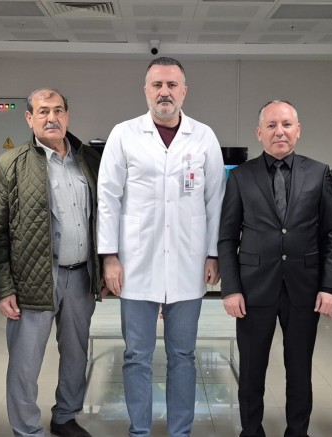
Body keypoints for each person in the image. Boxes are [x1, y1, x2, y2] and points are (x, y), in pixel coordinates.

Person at [97, 57, 226, 437]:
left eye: (172, 85)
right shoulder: (124, 134)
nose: (164, 92)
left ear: (184, 91)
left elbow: (216, 199)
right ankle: (139, 430)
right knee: (136, 355)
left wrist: (213, 253)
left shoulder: (204, 137)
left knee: (183, 355)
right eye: (157, 85)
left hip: (188, 263)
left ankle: (179, 431)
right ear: (146, 91)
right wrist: (109, 257)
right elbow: (108, 198)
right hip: (135, 264)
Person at [218, 99, 332, 437]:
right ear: (259, 133)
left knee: (300, 370)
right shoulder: (241, 176)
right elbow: (227, 237)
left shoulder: (319, 172)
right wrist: (230, 289)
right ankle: (251, 431)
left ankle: (297, 431)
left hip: (304, 288)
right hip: (253, 289)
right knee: (251, 370)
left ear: (298, 130)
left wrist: (330, 286)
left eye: (286, 124)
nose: (280, 132)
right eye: (271, 125)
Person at [0, 88, 102, 437]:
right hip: (32, 279)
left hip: (81, 276)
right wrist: (2, 288)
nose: (51, 118)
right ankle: (26, 429)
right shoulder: (9, 164)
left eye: (58, 110)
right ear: (29, 118)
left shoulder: (89, 160)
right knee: (25, 361)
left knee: (76, 354)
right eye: (43, 111)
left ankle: (65, 417)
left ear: (67, 116)